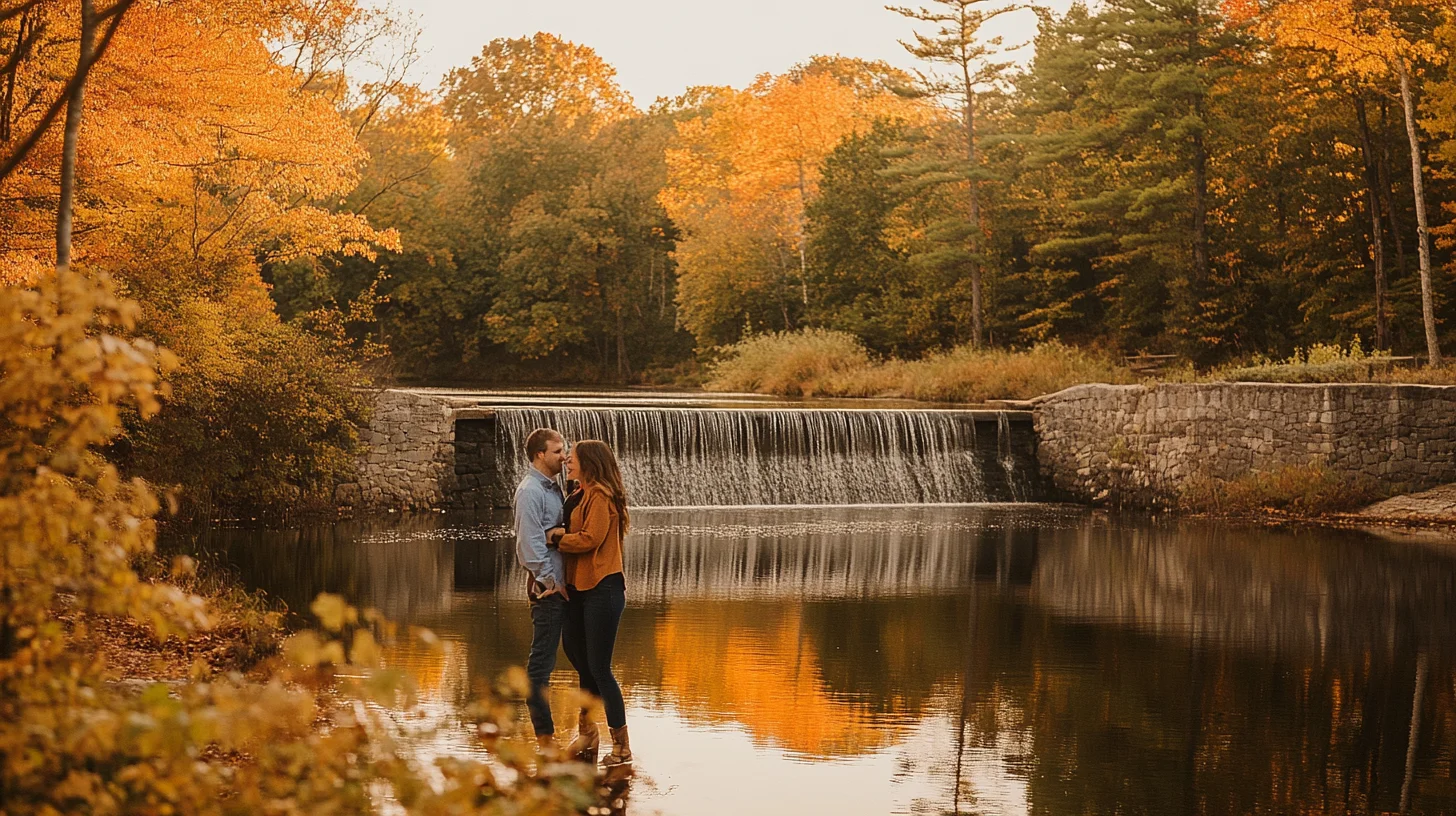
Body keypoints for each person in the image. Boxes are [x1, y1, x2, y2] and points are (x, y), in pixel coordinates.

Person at [548, 439, 633, 768]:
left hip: (603, 588)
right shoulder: (578, 492)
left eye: (573, 458)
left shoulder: (600, 495)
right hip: (578, 588)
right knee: (577, 656)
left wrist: (556, 539)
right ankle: (587, 734)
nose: (567, 461)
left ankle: (621, 746)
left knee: (599, 668)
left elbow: (590, 538)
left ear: (590, 463)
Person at [512, 427, 571, 753]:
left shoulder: (554, 488)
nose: (564, 456)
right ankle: (545, 740)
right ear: (539, 455)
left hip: (563, 587)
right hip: (549, 591)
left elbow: (550, 533)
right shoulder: (530, 491)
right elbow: (529, 545)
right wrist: (550, 583)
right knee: (540, 667)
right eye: (557, 451)